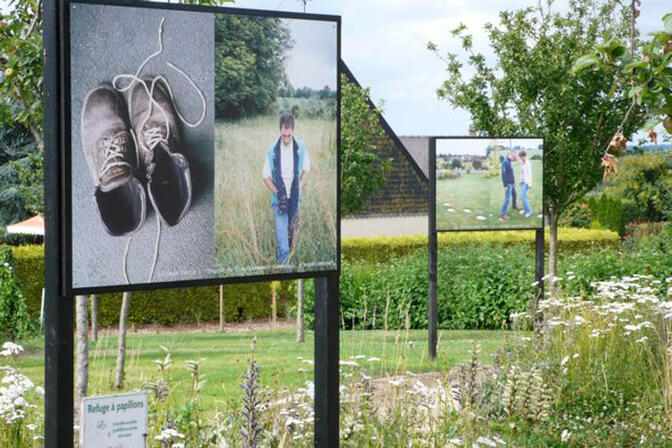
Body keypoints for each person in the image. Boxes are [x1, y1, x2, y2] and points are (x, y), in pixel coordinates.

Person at [262, 113, 310, 264]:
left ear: (293, 131)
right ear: (280, 130)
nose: (287, 139)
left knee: (292, 238)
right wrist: (278, 193)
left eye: (289, 135)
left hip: (295, 200)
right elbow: (265, 177)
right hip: (280, 202)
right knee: (283, 244)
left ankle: (292, 268)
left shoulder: (301, 147)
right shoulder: (272, 151)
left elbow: (306, 169)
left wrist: (299, 186)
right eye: (284, 135)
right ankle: (284, 273)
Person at [499, 150, 518, 220]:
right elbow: (503, 174)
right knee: (507, 198)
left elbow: (511, 173)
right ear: (510, 154)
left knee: (515, 195)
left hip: (512, 183)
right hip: (508, 184)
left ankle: (514, 206)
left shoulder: (509, 162)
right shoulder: (505, 162)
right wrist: (505, 186)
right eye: (514, 156)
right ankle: (502, 214)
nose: (514, 158)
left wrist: (514, 182)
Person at [519, 151, 533, 218]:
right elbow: (522, 172)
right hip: (523, 182)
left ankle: (529, 211)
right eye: (520, 157)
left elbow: (529, 174)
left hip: (527, 182)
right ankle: (526, 209)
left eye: (522, 156)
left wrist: (530, 184)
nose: (521, 158)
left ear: (524, 156)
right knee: (524, 196)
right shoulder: (522, 162)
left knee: (522, 196)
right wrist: (520, 180)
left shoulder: (528, 163)